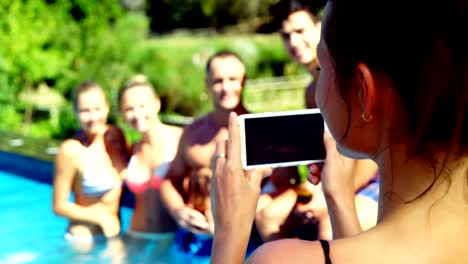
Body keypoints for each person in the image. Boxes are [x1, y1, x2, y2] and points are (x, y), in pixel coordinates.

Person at [211, 0, 468, 262]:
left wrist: (229, 231)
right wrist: (339, 199)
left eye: (322, 68)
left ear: (363, 90)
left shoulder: (277, 259)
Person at [254, 0, 379, 242]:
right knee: (268, 216)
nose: (293, 42)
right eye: (286, 35)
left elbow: (373, 150)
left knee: (327, 227)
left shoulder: (350, 79)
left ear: (320, 27)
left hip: (375, 176)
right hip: (335, 176)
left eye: (300, 31)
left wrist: (329, 194)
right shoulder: (311, 91)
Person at [160, 50, 250, 257]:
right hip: (194, 235)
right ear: (207, 84)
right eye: (218, 81)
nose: (225, 88)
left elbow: (280, 187)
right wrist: (178, 210)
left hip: (242, 237)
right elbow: (170, 180)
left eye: (233, 79)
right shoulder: (193, 132)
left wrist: (235, 220)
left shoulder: (258, 130)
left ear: (244, 82)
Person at [52, 81, 129, 244]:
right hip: (84, 240)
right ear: (75, 112)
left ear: (107, 107)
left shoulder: (115, 137)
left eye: (97, 109)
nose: (93, 117)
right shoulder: (70, 151)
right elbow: (59, 206)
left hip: (115, 237)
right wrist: (100, 218)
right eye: (85, 111)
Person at [118, 74, 183, 259]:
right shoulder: (133, 149)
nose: (137, 114)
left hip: (170, 241)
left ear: (157, 104)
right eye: (129, 109)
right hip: (134, 238)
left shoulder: (180, 139)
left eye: (142, 106)